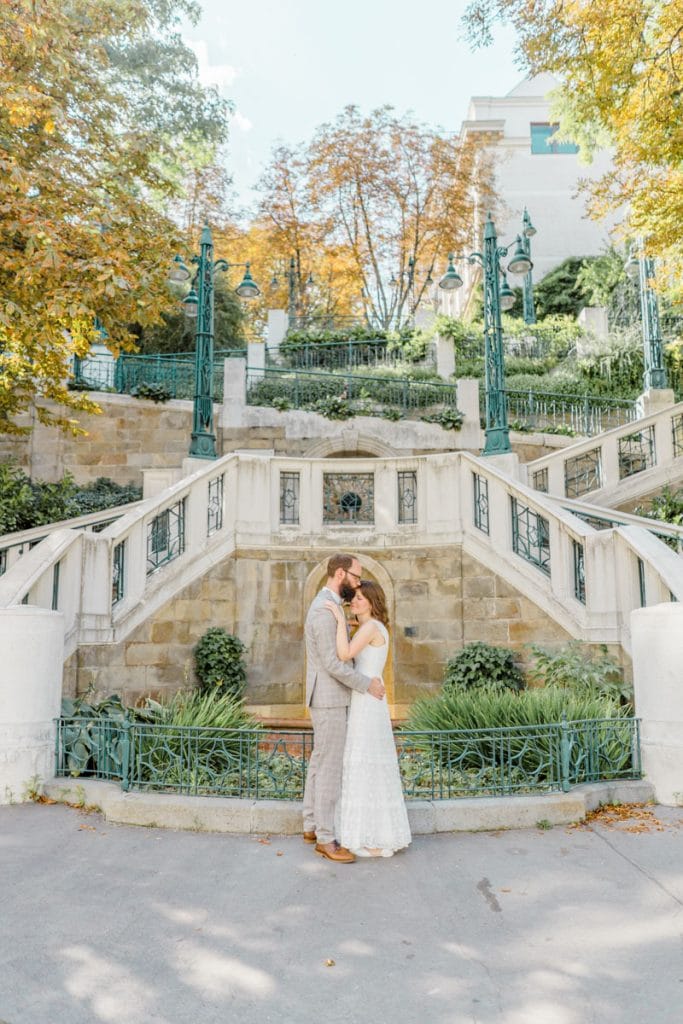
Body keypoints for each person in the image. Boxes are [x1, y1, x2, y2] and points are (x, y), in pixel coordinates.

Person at [302, 553, 385, 864]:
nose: (358, 582)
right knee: (329, 767)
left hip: (328, 697)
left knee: (320, 760)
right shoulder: (324, 611)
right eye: (356, 576)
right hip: (330, 698)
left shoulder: (332, 606)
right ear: (340, 574)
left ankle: (311, 824)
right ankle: (326, 838)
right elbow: (334, 664)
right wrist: (367, 684)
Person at [325, 580, 411, 858]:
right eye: (355, 598)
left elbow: (345, 653)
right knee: (363, 760)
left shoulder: (372, 627)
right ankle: (367, 831)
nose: (356, 601)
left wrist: (339, 619)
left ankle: (374, 836)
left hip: (368, 701)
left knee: (366, 761)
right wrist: (348, 625)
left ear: (374, 603)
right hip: (367, 698)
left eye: (362, 598)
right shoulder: (368, 627)